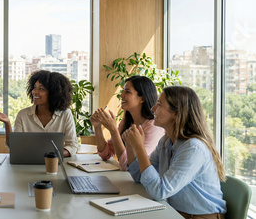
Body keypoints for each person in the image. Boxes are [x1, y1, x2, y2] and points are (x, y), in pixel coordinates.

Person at [123, 86, 226, 218]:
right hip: (176, 212)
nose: (153, 108)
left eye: (159, 104)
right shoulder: (166, 141)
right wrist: (131, 146)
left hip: (200, 217)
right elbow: (139, 176)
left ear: (176, 114)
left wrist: (140, 148)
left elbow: (160, 191)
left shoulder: (193, 148)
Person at [0, 70, 78, 157]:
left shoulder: (65, 114)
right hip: (27, 165)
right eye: (34, 87)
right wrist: (7, 123)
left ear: (54, 93)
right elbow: (14, 147)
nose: (35, 92)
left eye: (41, 89)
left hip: (54, 165)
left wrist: (51, 156)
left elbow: (72, 146)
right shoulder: (23, 115)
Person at [91, 75, 163, 170]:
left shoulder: (154, 127)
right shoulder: (127, 121)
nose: (121, 95)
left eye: (127, 92)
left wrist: (113, 130)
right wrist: (97, 127)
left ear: (142, 99)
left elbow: (130, 166)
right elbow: (105, 154)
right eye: (123, 91)